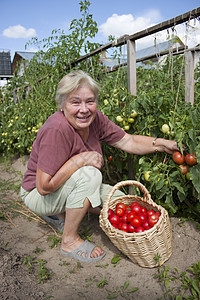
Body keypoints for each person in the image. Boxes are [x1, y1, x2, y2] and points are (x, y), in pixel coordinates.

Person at [21, 70, 180, 263]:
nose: (84, 109)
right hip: (37, 195)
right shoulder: (57, 129)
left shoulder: (95, 120)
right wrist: (79, 160)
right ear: (62, 104)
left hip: (63, 186)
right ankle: (69, 240)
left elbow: (128, 141)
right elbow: (44, 187)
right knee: (90, 176)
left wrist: (163, 144)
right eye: (75, 102)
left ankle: (59, 214)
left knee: (122, 201)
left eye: (90, 101)